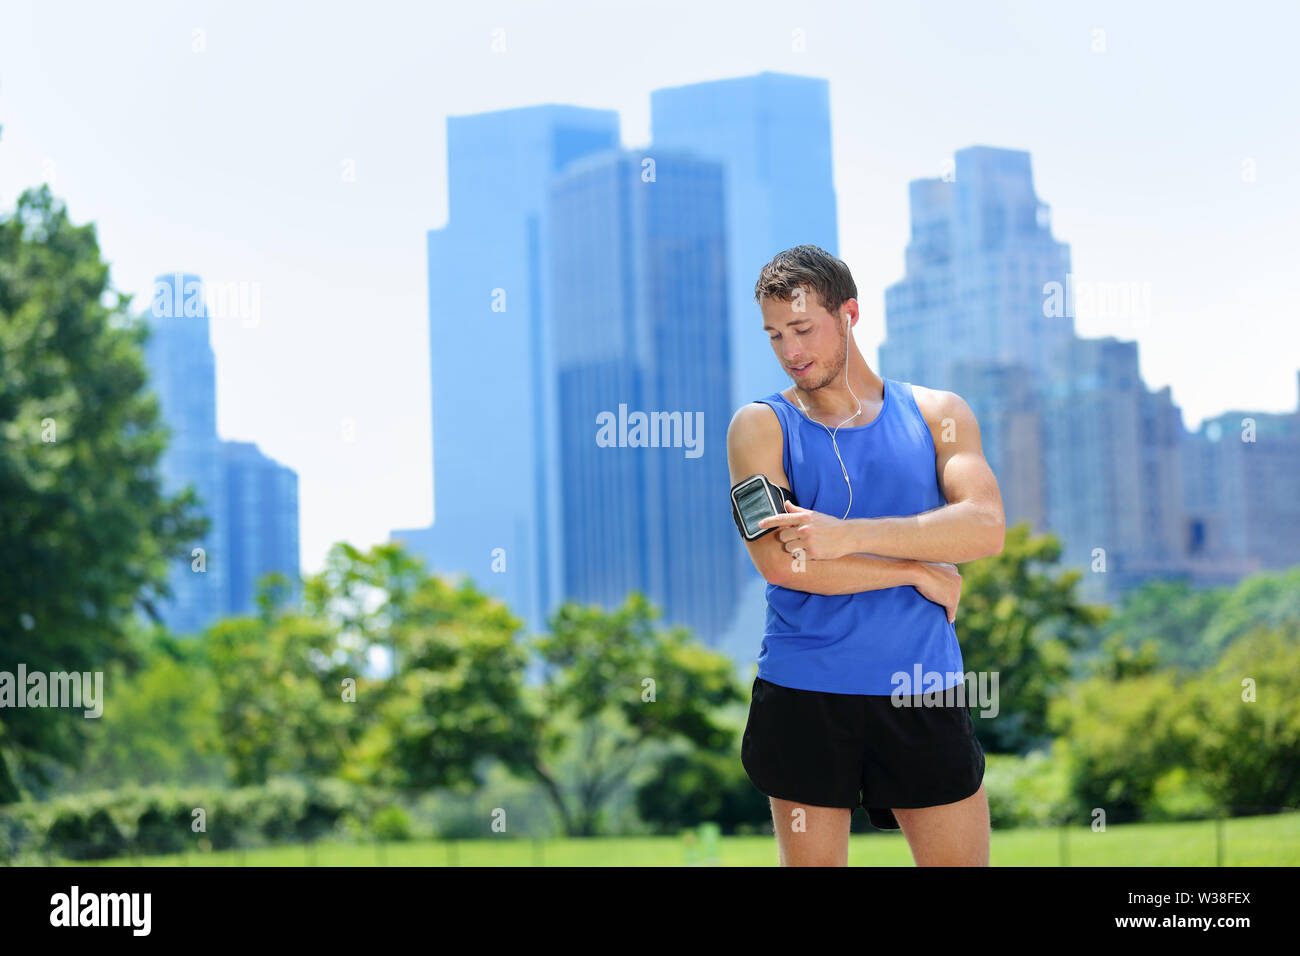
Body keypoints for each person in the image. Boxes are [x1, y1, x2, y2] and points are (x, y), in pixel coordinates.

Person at [726, 244, 1006, 866]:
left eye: (803, 329)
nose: (790, 351)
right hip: (805, 692)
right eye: (775, 336)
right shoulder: (759, 427)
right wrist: (914, 570)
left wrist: (847, 536)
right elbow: (783, 564)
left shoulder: (940, 414)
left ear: (849, 313)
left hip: (922, 690)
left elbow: (984, 527)